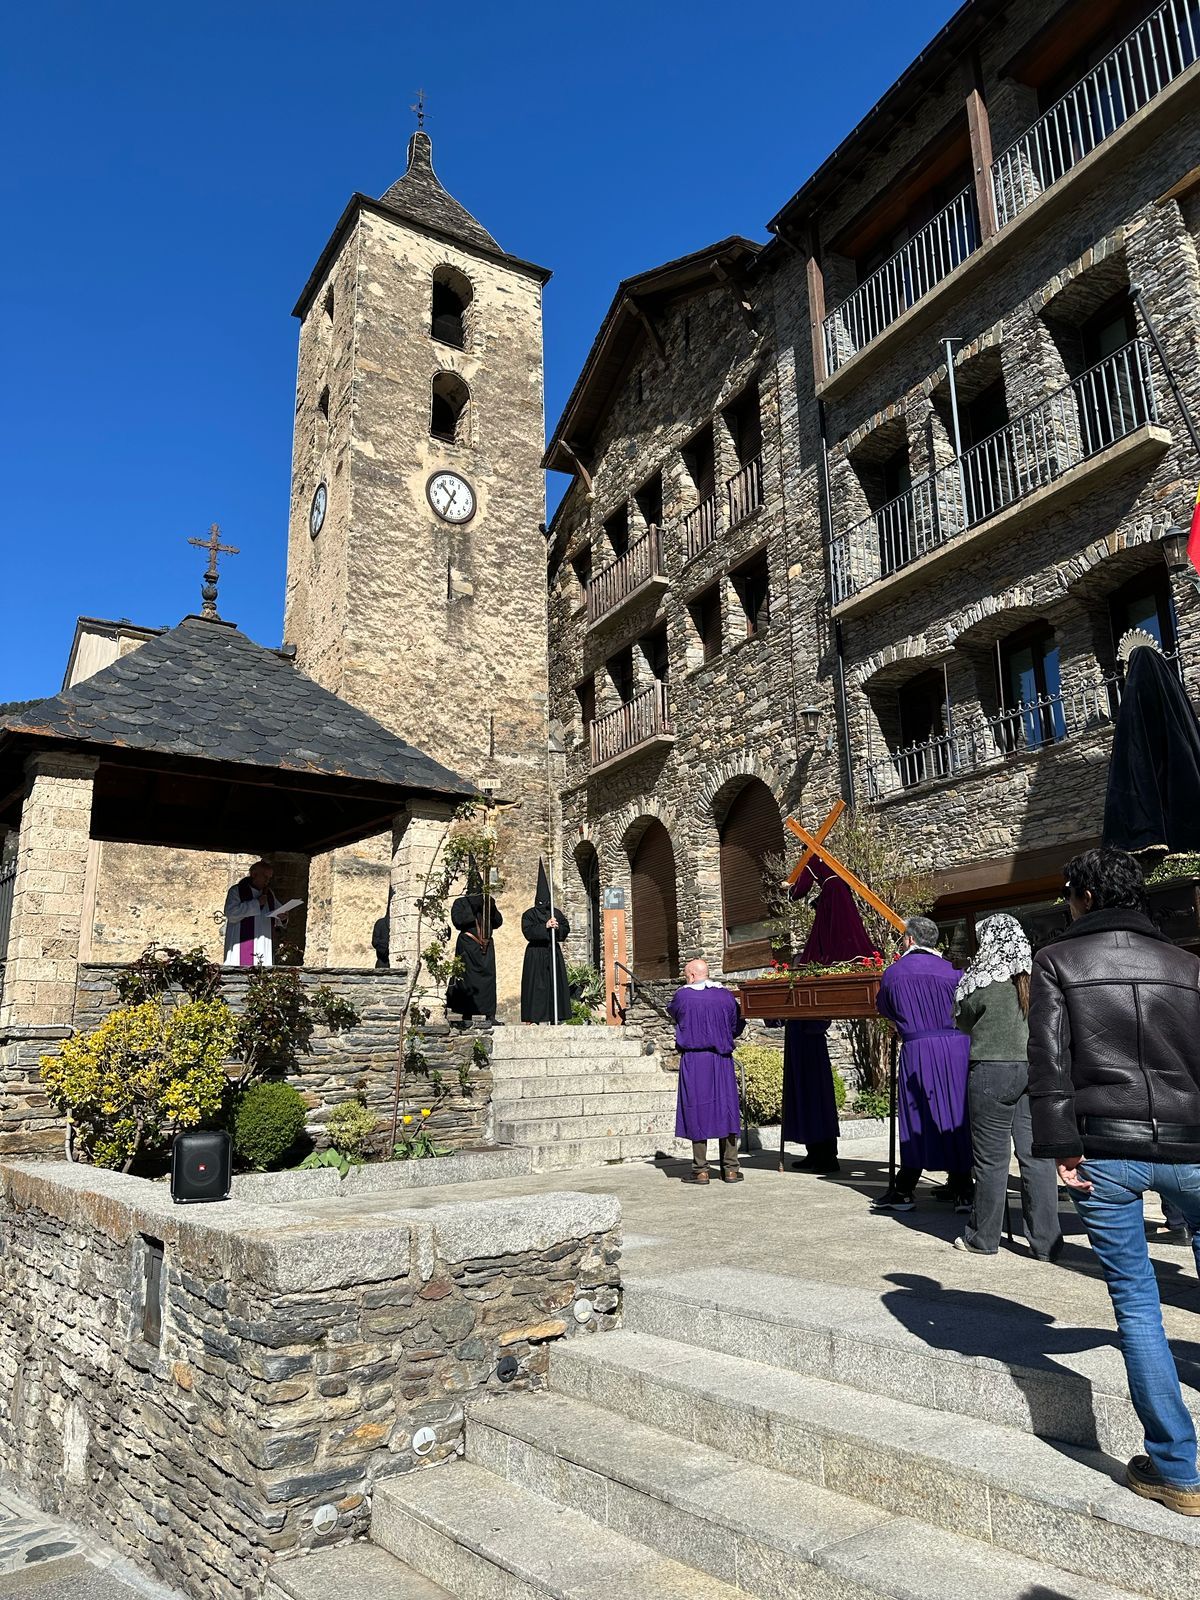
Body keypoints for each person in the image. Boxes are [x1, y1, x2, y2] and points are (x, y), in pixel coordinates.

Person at [1028, 847, 1200, 1516]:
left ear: (1083, 896)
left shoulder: (1058, 961)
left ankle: (1179, 1469)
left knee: (1137, 1304)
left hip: (1106, 1147)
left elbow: (1049, 1060)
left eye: (1069, 894)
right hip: (1194, 1143)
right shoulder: (1188, 966)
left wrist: (1060, 1145)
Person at [952, 914, 1061, 1260]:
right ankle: (1046, 1242)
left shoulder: (978, 980)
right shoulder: (1037, 979)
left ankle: (983, 1238)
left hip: (991, 1071)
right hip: (1033, 1070)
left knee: (990, 1160)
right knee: (1036, 1157)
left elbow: (963, 1022)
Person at [781, 859, 875, 1173]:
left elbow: (797, 889)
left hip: (811, 1043)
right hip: (800, 1043)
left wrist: (790, 889)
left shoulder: (821, 871)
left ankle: (825, 1153)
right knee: (806, 1100)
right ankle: (815, 1151)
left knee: (816, 1098)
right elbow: (780, 1014)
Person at [873, 915, 972, 1212]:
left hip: (918, 1048)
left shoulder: (894, 973)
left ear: (909, 940)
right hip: (956, 1048)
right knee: (957, 1114)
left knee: (916, 1116)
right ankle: (963, 1188)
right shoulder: (954, 971)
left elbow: (885, 1007)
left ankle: (905, 1189)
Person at [668, 958, 745, 1184]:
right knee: (727, 1108)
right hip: (722, 1059)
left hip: (694, 1059)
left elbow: (676, 1014)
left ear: (691, 976)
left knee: (696, 1109)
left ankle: (701, 1170)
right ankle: (730, 1169)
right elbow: (736, 1025)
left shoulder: (683, 996)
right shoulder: (726, 996)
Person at [447, 860, 503, 1025]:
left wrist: (490, 908)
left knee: (488, 981)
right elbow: (458, 921)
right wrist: (473, 908)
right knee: (466, 980)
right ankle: (466, 1015)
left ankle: (489, 1015)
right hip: (468, 946)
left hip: (486, 946)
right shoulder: (460, 903)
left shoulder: (488, 902)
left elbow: (498, 922)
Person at [520, 860, 570, 1023]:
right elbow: (528, 932)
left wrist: (557, 928)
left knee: (554, 984)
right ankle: (534, 1018)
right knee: (536, 987)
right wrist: (545, 926)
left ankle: (556, 1017)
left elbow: (565, 930)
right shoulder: (529, 914)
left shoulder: (556, 912)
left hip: (552, 951)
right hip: (535, 954)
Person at [223, 860, 286, 968]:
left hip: (264, 941)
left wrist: (282, 917)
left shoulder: (269, 894)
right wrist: (256, 903)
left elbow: (277, 913)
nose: (268, 881)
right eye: (265, 876)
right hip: (241, 942)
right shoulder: (237, 891)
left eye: (269, 878)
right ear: (254, 874)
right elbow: (231, 914)